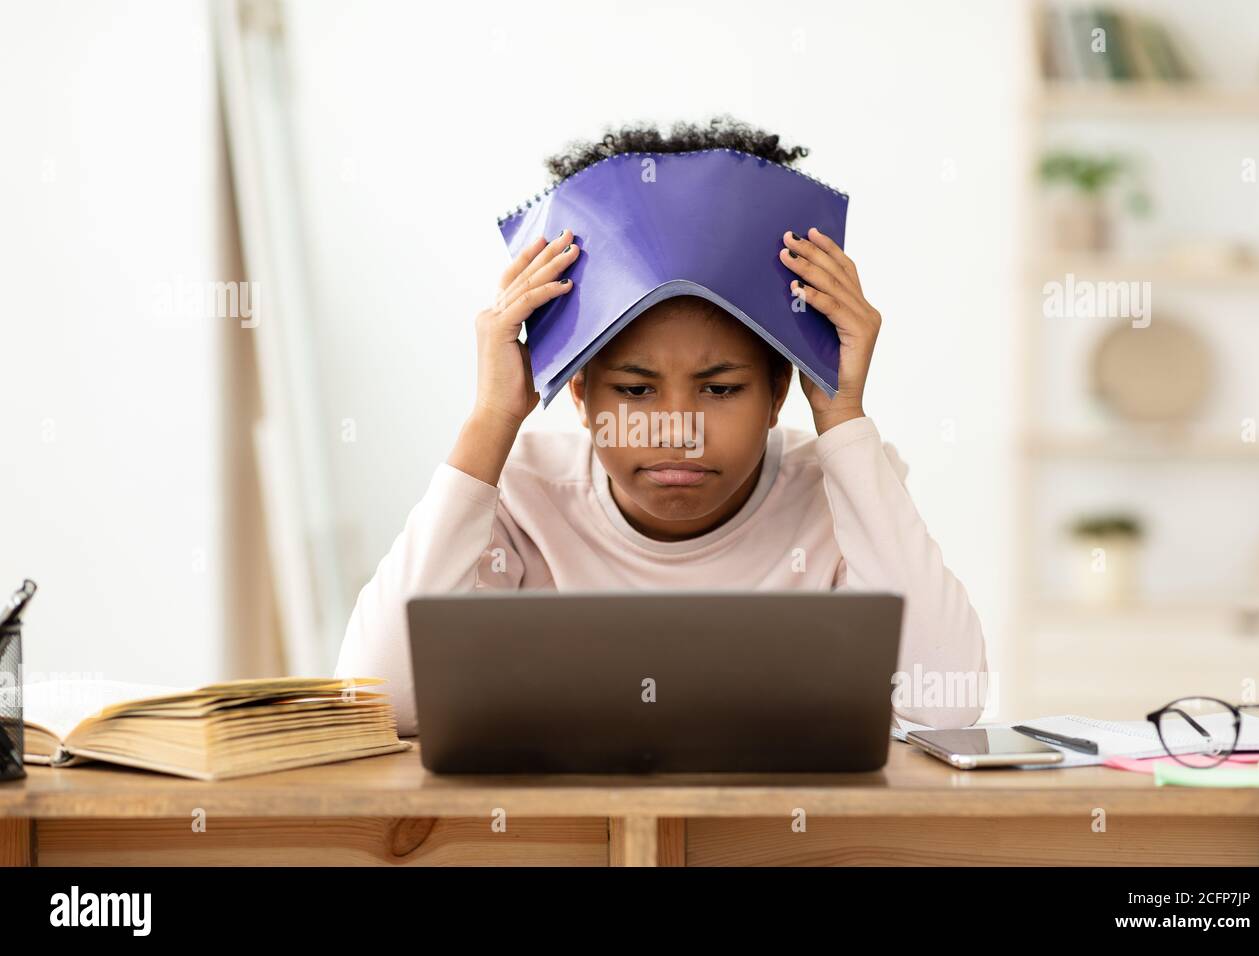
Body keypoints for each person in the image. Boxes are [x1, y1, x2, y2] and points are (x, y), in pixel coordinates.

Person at [335, 117, 988, 735]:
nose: (678, 431)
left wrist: (842, 416)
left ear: (778, 392)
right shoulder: (521, 495)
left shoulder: (838, 492)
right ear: (582, 394)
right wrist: (491, 419)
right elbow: (378, 698)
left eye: (721, 388)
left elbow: (946, 702)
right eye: (636, 389)